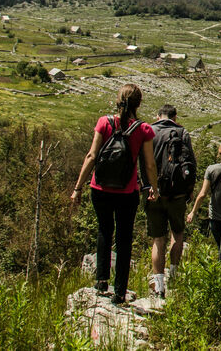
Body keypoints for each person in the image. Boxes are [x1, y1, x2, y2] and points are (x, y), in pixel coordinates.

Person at [71, 84, 159, 305]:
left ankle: (101, 280)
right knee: (124, 238)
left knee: (104, 230)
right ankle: (119, 291)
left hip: (99, 188)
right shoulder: (144, 129)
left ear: (118, 100)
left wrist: (78, 187)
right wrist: (154, 188)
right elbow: (149, 165)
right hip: (127, 191)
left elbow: (92, 156)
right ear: (139, 104)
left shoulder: (104, 122)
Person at [142, 104, 196, 298]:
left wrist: (146, 186)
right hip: (178, 193)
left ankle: (159, 285)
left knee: (158, 239)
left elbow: (143, 162)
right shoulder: (182, 133)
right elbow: (191, 164)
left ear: (158, 116)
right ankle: (173, 275)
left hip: (153, 192)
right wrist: (189, 190)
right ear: (175, 117)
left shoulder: (149, 131)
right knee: (177, 233)